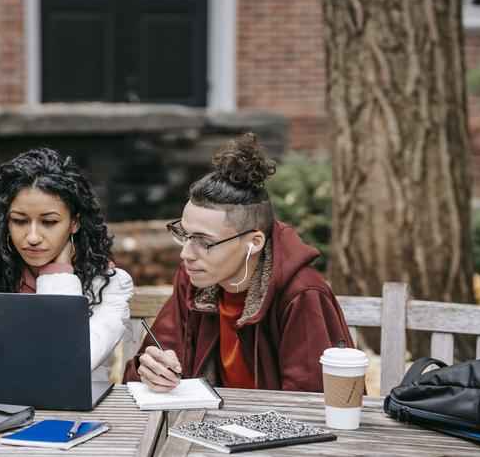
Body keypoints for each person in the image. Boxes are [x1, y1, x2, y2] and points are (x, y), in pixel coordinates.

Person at [123, 133, 353, 392]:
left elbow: (314, 402)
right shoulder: (195, 278)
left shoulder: (302, 293)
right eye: (184, 235)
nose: (186, 253)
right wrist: (150, 371)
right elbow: (143, 371)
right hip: (208, 423)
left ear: (254, 242)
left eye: (204, 241)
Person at [0, 148, 133, 381]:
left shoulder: (111, 284)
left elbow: (67, 363)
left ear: (74, 223)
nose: (33, 236)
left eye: (49, 222)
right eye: (19, 221)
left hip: (72, 411)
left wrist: (57, 274)